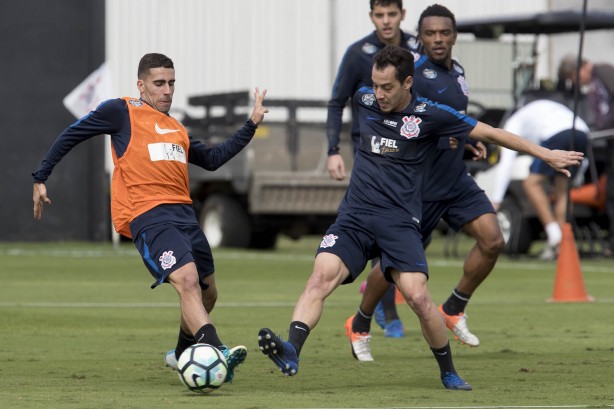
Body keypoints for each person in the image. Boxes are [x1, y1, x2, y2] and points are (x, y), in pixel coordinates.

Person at [257, 45, 583, 390]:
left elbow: (490, 133)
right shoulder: (364, 98)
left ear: (408, 83)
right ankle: (292, 349)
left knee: (417, 296)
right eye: (375, 85)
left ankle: (448, 370)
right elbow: (339, 102)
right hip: (354, 216)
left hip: (399, 221)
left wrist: (544, 153)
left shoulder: (430, 114)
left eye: (387, 87)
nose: (378, 94)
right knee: (320, 277)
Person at [32, 53, 269, 384]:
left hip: (185, 217)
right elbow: (73, 133)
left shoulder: (176, 128)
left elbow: (213, 159)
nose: (167, 90)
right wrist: (41, 176)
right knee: (186, 280)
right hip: (148, 215)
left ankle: (182, 353)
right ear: (141, 85)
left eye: (172, 83)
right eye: (159, 83)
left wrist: (252, 123)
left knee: (208, 292)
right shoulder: (121, 111)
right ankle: (216, 350)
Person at [343, 4, 503, 362]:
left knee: (493, 240)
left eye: (444, 33)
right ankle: (361, 320)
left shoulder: (457, 71)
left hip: (454, 179)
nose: (437, 40)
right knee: (394, 266)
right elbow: (408, 124)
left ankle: (454, 307)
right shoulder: (414, 72)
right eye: (430, 34)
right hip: (422, 187)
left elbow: (450, 123)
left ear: (454, 35)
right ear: (420, 36)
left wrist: (465, 142)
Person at [327, 0, 421, 338]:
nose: (385, 21)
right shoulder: (358, 53)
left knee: (404, 223)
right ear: (371, 17)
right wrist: (333, 150)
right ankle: (385, 305)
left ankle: (378, 296)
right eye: (379, 15)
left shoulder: (415, 50)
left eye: (391, 14)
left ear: (402, 15)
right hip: (369, 149)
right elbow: (337, 101)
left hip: (410, 149)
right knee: (377, 219)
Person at [491, 99, 589, 260]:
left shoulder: (514, 121)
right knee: (562, 192)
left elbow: (506, 162)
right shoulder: (547, 107)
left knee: (531, 184)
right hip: (581, 132)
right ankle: (564, 242)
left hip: (556, 134)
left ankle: (554, 235)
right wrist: (579, 176)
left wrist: (496, 199)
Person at [558, 55, 614, 256]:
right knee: (610, 192)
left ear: (579, 70)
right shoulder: (595, 82)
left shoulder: (603, 71)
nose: (576, 83)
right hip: (608, 141)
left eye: (574, 78)